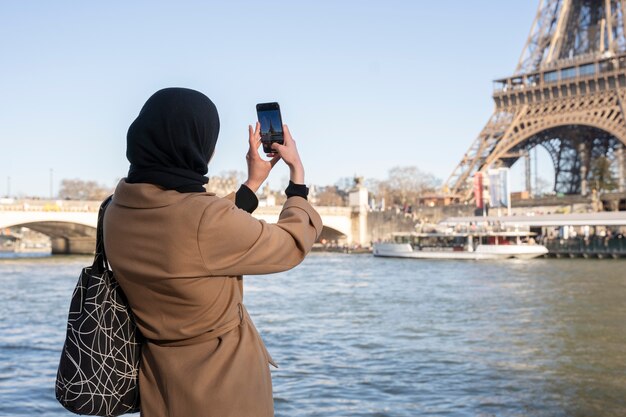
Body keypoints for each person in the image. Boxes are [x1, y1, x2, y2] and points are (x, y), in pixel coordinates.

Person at [103, 88, 322, 417]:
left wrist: (252, 185)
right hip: (223, 386)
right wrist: (298, 182)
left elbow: (188, 236)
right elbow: (290, 245)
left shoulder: (116, 209)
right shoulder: (203, 220)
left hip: (160, 382)